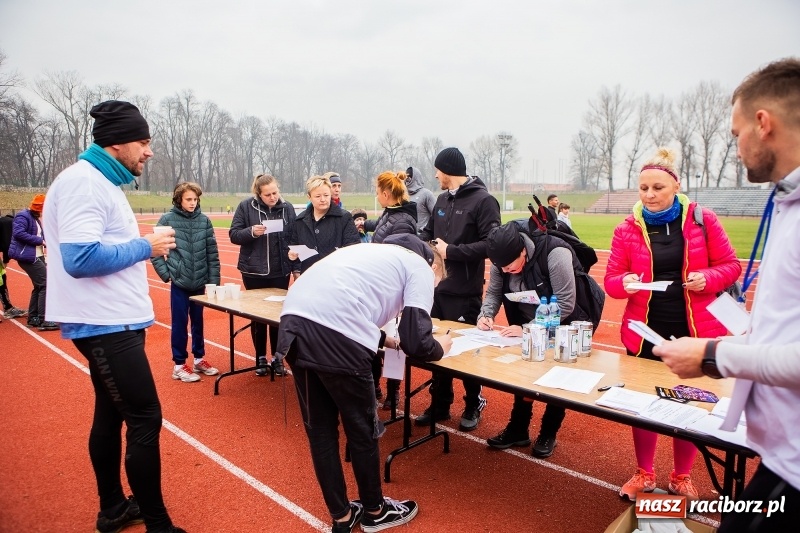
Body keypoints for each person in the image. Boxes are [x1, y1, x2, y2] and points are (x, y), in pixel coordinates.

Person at [654, 57, 800, 533]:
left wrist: (715, 354)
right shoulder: (787, 201)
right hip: (780, 457)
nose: (736, 147)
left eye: (737, 133)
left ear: (764, 123)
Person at [42, 100, 185, 533]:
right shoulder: (84, 183)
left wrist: (141, 242)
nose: (149, 151)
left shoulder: (99, 181)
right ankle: (158, 526)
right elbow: (80, 258)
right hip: (106, 324)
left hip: (112, 320)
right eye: (144, 142)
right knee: (145, 418)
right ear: (118, 142)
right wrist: (148, 247)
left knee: (110, 414)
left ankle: (113, 508)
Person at [274, 233, 451, 533]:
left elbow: (345, 300)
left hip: (293, 329)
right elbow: (418, 341)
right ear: (435, 268)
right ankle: (375, 510)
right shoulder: (421, 266)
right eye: (438, 285)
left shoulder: (368, 253)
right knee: (362, 430)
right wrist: (440, 347)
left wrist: (386, 339)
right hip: (338, 341)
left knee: (321, 433)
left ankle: (342, 516)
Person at [604, 147, 742, 501]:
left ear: (675, 187)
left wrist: (706, 278)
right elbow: (611, 282)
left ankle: (681, 477)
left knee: (689, 403)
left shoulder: (702, 219)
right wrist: (627, 283)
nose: (649, 195)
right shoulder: (627, 229)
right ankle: (644, 473)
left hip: (695, 332)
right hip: (645, 330)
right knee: (642, 404)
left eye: (657, 188)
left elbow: (730, 266)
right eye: (643, 188)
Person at [479, 222, 594, 457]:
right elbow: (493, 291)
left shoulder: (555, 253)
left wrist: (529, 329)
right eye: (503, 268)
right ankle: (518, 429)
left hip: (567, 321)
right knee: (525, 374)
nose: (507, 271)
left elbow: (565, 303)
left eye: (511, 267)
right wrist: (486, 315)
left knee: (557, 377)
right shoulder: (501, 262)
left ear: (523, 250)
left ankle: (548, 432)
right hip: (531, 320)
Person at [416, 147, 501, 431]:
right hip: (437, 289)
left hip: (465, 292)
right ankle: (440, 403)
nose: (435, 175)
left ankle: (473, 402)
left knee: (467, 354)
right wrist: (423, 246)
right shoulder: (441, 199)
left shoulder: (484, 200)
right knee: (436, 346)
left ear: (447, 170)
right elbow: (429, 234)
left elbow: (492, 245)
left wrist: (452, 251)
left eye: (438, 170)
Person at [152, 182, 221, 383]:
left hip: (200, 282)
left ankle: (199, 359)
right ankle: (179, 365)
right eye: (188, 199)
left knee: (199, 323)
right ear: (179, 200)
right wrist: (168, 274)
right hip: (180, 283)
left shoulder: (204, 221)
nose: (192, 203)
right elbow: (156, 252)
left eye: (195, 199)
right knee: (180, 324)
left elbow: (212, 254)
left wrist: (213, 282)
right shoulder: (166, 220)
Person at [230, 174, 296, 377]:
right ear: (258, 194)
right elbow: (234, 235)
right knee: (258, 316)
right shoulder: (246, 206)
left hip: (280, 270)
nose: (273, 197)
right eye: (268, 194)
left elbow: (294, 234)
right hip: (253, 271)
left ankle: (278, 358)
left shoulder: (287, 208)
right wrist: (251, 232)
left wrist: (293, 259)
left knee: (278, 317)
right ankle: (259, 357)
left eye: (275, 192)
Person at [363, 170, 418, 409]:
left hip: (392, 289)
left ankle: (394, 392)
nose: (376, 196)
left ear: (386, 194)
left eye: (377, 192)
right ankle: (374, 386)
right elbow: (383, 226)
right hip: (379, 286)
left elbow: (398, 254)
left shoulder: (403, 220)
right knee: (375, 339)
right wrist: (364, 224)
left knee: (393, 342)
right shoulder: (393, 213)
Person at [288, 174, 360, 276]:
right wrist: (293, 258)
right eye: (318, 196)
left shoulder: (344, 218)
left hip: (336, 276)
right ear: (309, 197)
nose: (323, 199)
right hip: (309, 276)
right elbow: (294, 248)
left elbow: (353, 248)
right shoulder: (300, 221)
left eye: (326, 195)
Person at [8, 194, 58, 331]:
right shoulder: (23, 216)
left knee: (39, 286)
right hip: (28, 256)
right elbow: (18, 233)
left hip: (37, 255)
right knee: (45, 284)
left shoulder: (35, 218)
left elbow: (40, 234)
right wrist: (39, 241)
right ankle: (44, 319)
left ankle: (34, 317)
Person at [0, 213, 27, 319]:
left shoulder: (7, 222)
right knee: (1, 280)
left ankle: (8, 307)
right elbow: (7, 243)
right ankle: (8, 308)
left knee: (2, 279)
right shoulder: (9, 224)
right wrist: (6, 261)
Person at [405, 166, 436, 234]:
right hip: (408, 236)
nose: (407, 179)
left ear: (416, 177)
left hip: (423, 237)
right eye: (406, 177)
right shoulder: (404, 195)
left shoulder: (427, 194)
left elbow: (436, 216)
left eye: (409, 177)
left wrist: (423, 230)